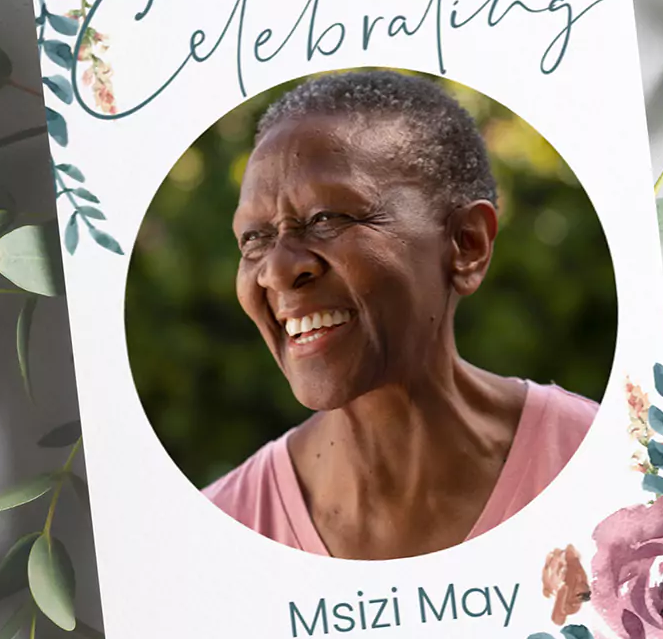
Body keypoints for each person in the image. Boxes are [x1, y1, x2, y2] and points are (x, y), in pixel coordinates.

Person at [204, 69, 597, 560]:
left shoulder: (613, 466)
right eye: (254, 239)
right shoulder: (217, 538)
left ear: (465, 244)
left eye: (328, 218)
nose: (277, 271)